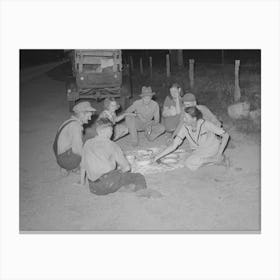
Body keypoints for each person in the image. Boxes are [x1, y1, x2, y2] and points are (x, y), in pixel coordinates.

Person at [80, 118, 147, 196]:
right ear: (109, 132)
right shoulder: (111, 145)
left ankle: (119, 187)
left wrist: (82, 182)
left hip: (93, 188)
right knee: (138, 177)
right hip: (108, 183)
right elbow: (127, 168)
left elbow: (83, 166)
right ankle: (142, 193)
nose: (112, 133)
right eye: (111, 131)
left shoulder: (87, 143)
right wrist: (120, 173)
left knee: (114, 175)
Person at [153, 106, 229, 171]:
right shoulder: (185, 127)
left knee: (189, 162)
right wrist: (158, 156)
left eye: (186, 117)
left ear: (194, 119)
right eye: (184, 117)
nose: (184, 119)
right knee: (189, 162)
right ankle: (214, 160)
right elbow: (174, 145)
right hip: (199, 151)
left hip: (212, 148)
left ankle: (217, 159)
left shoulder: (205, 124)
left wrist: (219, 153)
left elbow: (226, 135)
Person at [53, 101, 96, 172]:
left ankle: (67, 165)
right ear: (81, 114)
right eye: (88, 116)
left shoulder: (69, 121)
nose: (90, 119)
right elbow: (77, 149)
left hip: (61, 157)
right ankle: (74, 167)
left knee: (88, 136)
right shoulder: (76, 126)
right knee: (91, 147)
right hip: (67, 160)